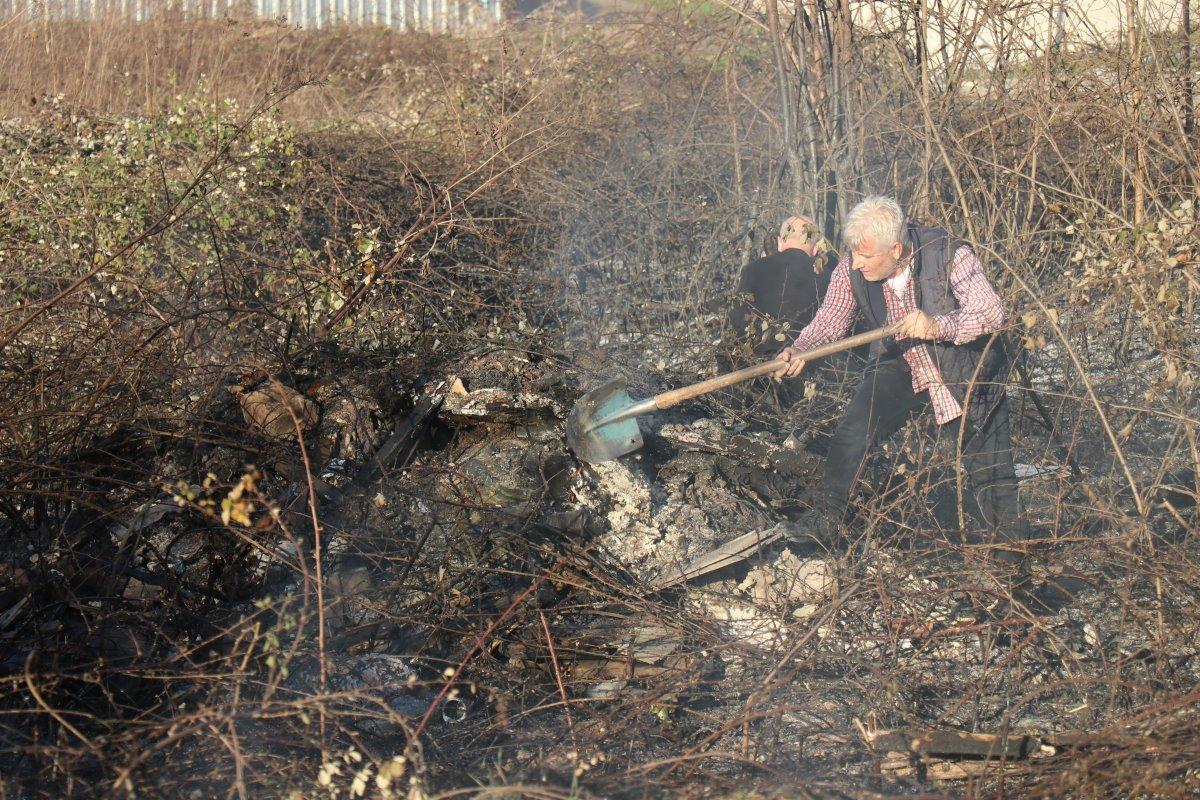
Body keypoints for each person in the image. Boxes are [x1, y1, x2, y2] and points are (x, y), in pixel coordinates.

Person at [772, 196, 1027, 566]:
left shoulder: (949, 255)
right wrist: (800, 350)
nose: (857, 264)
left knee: (992, 477)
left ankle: (1011, 578)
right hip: (901, 363)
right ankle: (826, 521)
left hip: (964, 369)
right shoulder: (851, 269)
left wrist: (939, 325)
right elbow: (830, 321)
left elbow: (991, 313)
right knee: (853, 429)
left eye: (867, 257)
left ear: (896, 248)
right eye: (854, 255)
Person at [725, 216, 835, 408]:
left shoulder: (752, 270)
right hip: (807, 382)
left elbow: (735, 329)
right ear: (816, 248)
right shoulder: (828, 278)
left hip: (754, 381)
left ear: (779, 241)